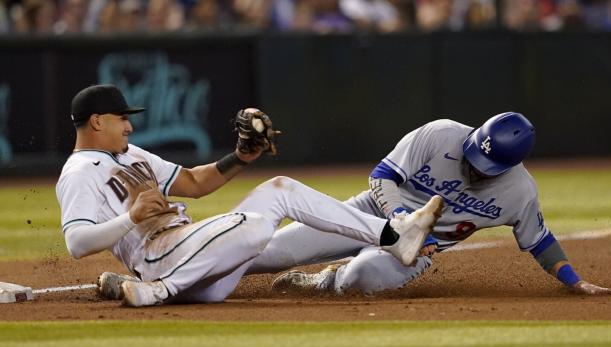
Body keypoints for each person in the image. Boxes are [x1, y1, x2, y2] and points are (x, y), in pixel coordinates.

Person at [57, 84, 444, 307]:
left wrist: (240, 158)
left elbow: (193, 183)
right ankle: (160, 290)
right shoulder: (78, 172)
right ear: (96, 121)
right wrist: (132, 218)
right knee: (255, 225)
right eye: (122, 118)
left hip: (199, 258)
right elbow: (76, 243)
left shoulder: (131, 154)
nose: (128, 125)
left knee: (281, 189)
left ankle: (394, 236)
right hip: (160, 255)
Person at [245, 112, 611, 296]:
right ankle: (195, 271)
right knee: (271, 250)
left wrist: (575, 281)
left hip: (419, 250)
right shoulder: (440, 134)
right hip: (370, 213)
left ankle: (327, 280)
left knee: (363, 276)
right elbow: (381, 176)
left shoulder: (519, 191)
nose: (474, 166)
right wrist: (402, 221)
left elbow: (540, 241)